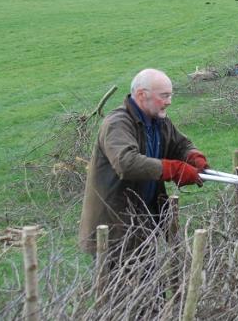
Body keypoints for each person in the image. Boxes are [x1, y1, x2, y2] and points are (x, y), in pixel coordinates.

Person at [79, 69, 208, 256]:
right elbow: (126, 163)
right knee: (120, 284)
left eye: (170, 95)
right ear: (141, 95)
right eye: (164, 96)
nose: (169, 101)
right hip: (114, 228)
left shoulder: (159, 120)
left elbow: (180, 144)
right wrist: (173, 169)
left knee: (148, 280)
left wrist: (194, 157)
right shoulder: (118, 123)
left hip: (144, 220)